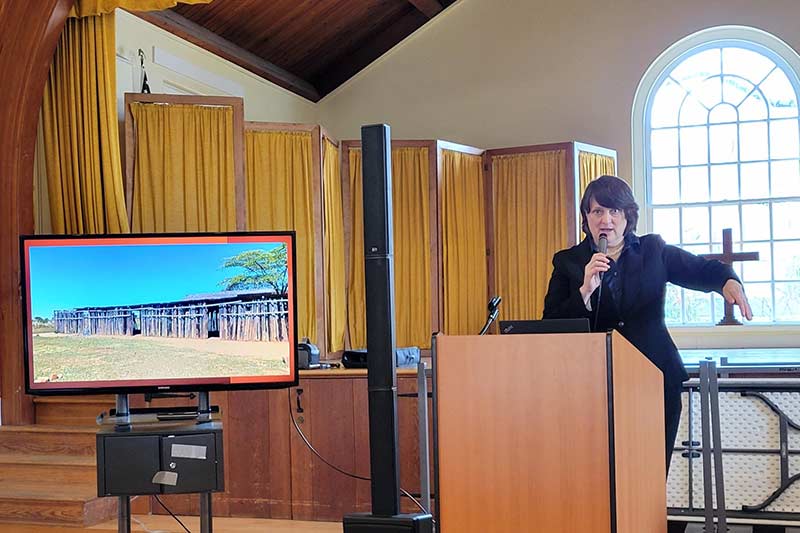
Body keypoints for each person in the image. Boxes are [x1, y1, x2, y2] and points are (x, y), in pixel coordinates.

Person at [542, 175, 752, 474]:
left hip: (654, 378)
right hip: (593, 383)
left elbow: (701, 269)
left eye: (614, 211)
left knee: (650, 471)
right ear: (585, 218)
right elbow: (550, 324)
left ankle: (648, 521)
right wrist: (584, 291)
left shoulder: (653, 250)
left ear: (628, 215)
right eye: (597, 211)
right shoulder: (568, 262)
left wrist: (727, 281)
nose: (606, 220)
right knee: (601, 471)